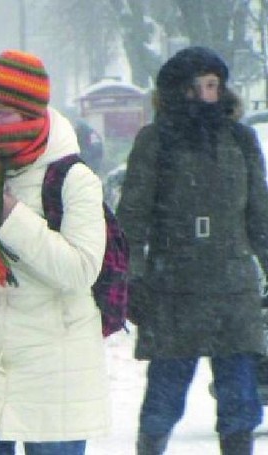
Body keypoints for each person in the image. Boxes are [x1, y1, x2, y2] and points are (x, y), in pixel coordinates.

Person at [0, 49, 110, 454]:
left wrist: (12, 217)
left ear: (29, 112)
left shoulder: (74, 178)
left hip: (54, 362)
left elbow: (80, 270)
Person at [116, 46, 268, 455]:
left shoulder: (240, 138)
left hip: (233, 290)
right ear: (178, 91)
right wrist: (132, 279)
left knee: (240, 399)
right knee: (164, 397)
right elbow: (131, 218)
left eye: (214, 85)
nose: (208, 94)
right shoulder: (156, 142)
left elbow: (260, 215)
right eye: (199, 86)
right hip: (172, 290)